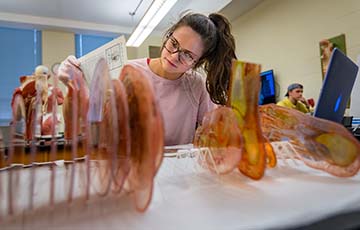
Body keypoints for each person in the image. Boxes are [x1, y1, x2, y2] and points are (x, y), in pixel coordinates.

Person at [58, 12, 237, 146]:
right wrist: (75, 88)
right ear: (168, 35)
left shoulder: (195, 85)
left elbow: (214, 132)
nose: (174, 56)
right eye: (173, 44)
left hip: (176, 176)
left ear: (198, 62)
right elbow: (94, 132)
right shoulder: (128, 71)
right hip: (129, 170)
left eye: (188, 55)